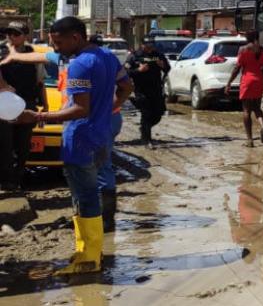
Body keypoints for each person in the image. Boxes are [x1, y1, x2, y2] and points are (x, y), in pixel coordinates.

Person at [16, 17, 132, 274]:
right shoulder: (108, 57)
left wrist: (37, 116)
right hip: (101, 136)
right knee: (93, 191)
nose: (55, 48)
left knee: (84, 197)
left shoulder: (80, 65)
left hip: (80, 139)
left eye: (58, 42)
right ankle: (93, 252)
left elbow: (80, 108)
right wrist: (111, 107)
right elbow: (126, 86)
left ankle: (88, 258)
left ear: (76, 38)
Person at [0, 21, 46, 191]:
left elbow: (40, 82)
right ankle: (6, 181)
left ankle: (17, 178)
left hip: (27, 103)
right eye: (9, 33)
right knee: (5, 144)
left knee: (23, 145)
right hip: (4, 104)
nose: (11, 36)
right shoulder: (1, 52)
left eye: (16, 33)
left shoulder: (33, 55)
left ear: (26, 35)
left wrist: (45, 105)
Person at [225, 30, 263, 148]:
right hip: (259, 80)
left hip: (247, 81)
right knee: (257, 108)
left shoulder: (243, 50)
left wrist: (229, 83)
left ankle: (250, 140)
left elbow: (237, 67)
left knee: (246, 110)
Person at [124, 38, 170, 146]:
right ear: (142, 45)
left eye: (152, 45)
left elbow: (167, 68)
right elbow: (125, 72)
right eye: (147, 46)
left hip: (156, 89)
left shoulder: (158, 55)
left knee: (158, 114)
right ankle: (146, 139)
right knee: (146, 114)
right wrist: (138, 71)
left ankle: (144, 128)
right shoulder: (134, 56)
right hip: (141, 90)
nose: (150, 48)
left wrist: (163, 66)